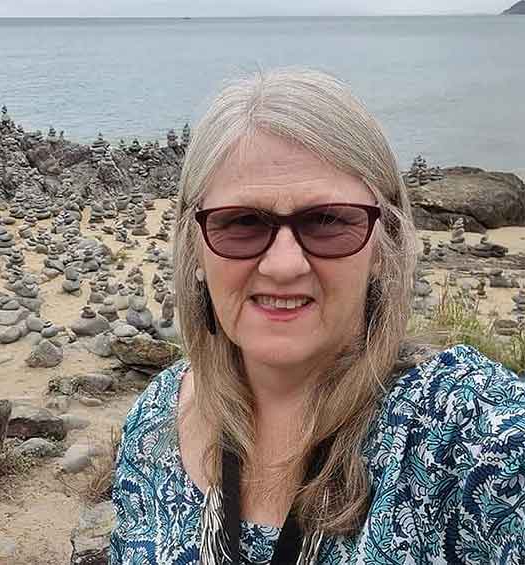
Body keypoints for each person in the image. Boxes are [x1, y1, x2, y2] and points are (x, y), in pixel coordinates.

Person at [109, 68, 525, 564]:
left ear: (384, 244)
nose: (283, 265)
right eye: (242, 223)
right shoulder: (156, 419)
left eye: (327, 221)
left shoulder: (466, 431)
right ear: (195, 249)